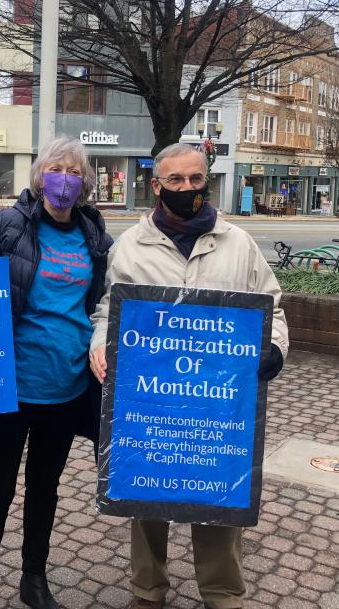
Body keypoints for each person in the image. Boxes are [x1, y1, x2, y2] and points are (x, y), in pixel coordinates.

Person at [89, 142, 288, 609]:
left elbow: (270, 304)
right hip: (149, 397)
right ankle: (147, 590)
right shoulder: (132, 246)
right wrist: (101, 344)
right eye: (175, 181)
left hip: (219, 398)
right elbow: (108, 308)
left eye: (196, 179)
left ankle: (222, 594)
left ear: (207, 180)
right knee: (145, 496)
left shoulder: (237, 242)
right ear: (156, 186)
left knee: (219, 497)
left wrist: (273, 349)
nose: (187, 189)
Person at [0, 136, 114, 609]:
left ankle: (34, 579)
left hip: (67, 387)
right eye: (56, 168)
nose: (64, 178)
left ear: (86, 181)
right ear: (39, 174)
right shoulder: (10, 223)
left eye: (74, 170)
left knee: (44, 490)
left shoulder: (93, 233)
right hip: (10, 386)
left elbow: (107, 297)